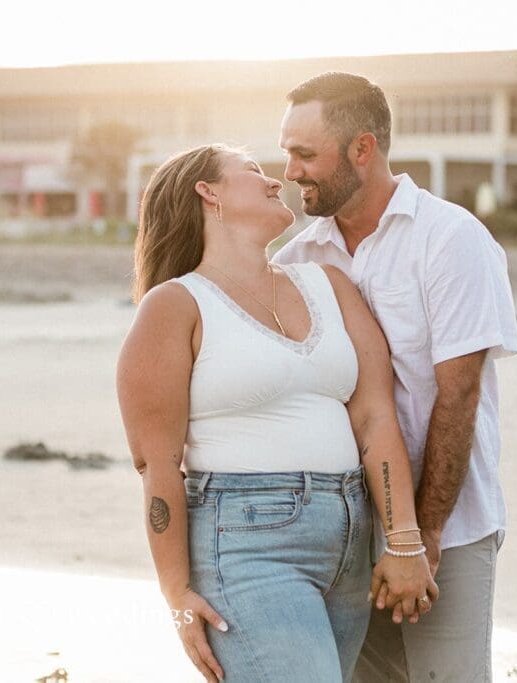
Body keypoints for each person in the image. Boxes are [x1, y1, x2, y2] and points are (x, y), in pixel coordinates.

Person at [116, 144, 437, 682]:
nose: (274, 181)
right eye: (253, 171)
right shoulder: (175, 305)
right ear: (208, 192)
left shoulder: (329, 285)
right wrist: (177, 596)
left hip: (350, 540)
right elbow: (158, 465)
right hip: (246, 543)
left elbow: (376, 419)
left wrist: (402, 537)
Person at [274, 73, 517, 682]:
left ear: (363, 149)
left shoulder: (451, 238)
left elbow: (457, 395)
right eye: (286, 153)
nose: (290, 171)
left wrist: (423, 533)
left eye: (305, 154)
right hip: (342, 533)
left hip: (451, 526)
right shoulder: (296, 261)